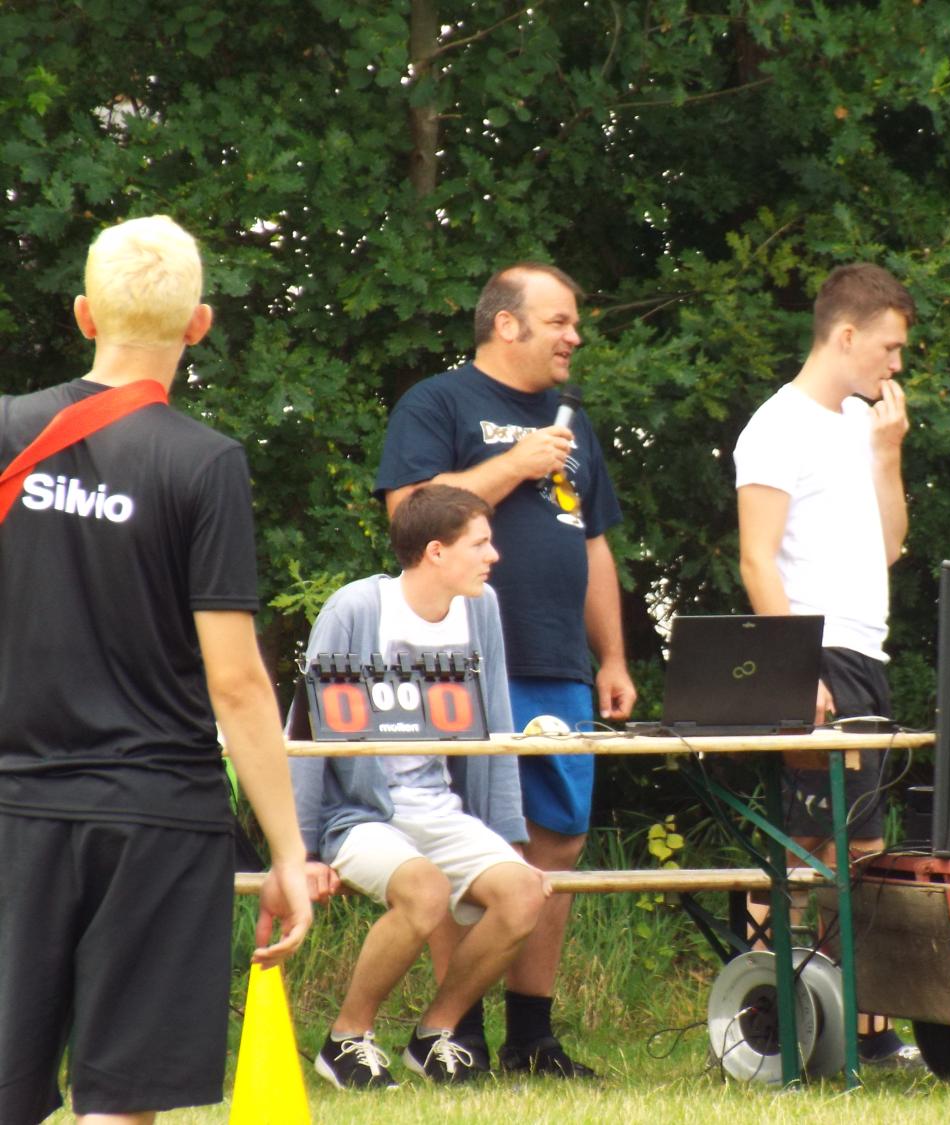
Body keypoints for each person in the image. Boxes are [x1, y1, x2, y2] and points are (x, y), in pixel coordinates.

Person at [0, 215, 311, 1125]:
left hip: (14, 803)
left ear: (84, 314)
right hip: (156, 813)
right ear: (199, 324)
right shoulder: (205, 463)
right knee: (120, 1100)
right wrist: (288, 851)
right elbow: (237, 682)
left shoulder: (7, 432)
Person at [375, 262, 635, 1078]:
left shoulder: (574, 424)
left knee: (556, 839)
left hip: (557, 662)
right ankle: (457, 1032)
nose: (575, 336)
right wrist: (516, 462)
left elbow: (592, 543)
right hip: (457, 661)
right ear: (507, 324)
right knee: (465, 840)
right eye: (560, 321)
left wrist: (612, 655)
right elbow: (410, 512)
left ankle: (533, 1036)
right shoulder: (438, 403)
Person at [294, 484, 550, 1086]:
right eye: (480, 544)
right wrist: (300, 852)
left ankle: (435, 1034)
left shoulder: (480, 607)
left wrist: (507, 834)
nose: (493, 556)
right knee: (425, 891)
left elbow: (494, 725)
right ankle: (345, 1040)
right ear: (436, 551)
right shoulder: (356, 609)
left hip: (438, 808)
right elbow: (305, 734)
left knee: (524, 893)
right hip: (360, 815)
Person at [733, 261, 923, 1068]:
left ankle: (859, 1031)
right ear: (846, 335)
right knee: (807, 845)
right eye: (890, 346)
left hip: (865, 650)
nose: (897, 363)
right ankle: (765, 1018)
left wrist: (888, 454)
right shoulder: (776, 426)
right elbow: (755, 557)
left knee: (858, 848)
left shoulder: (858, 423)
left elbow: (891, 547)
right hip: (813, 654)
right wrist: (793, 669)